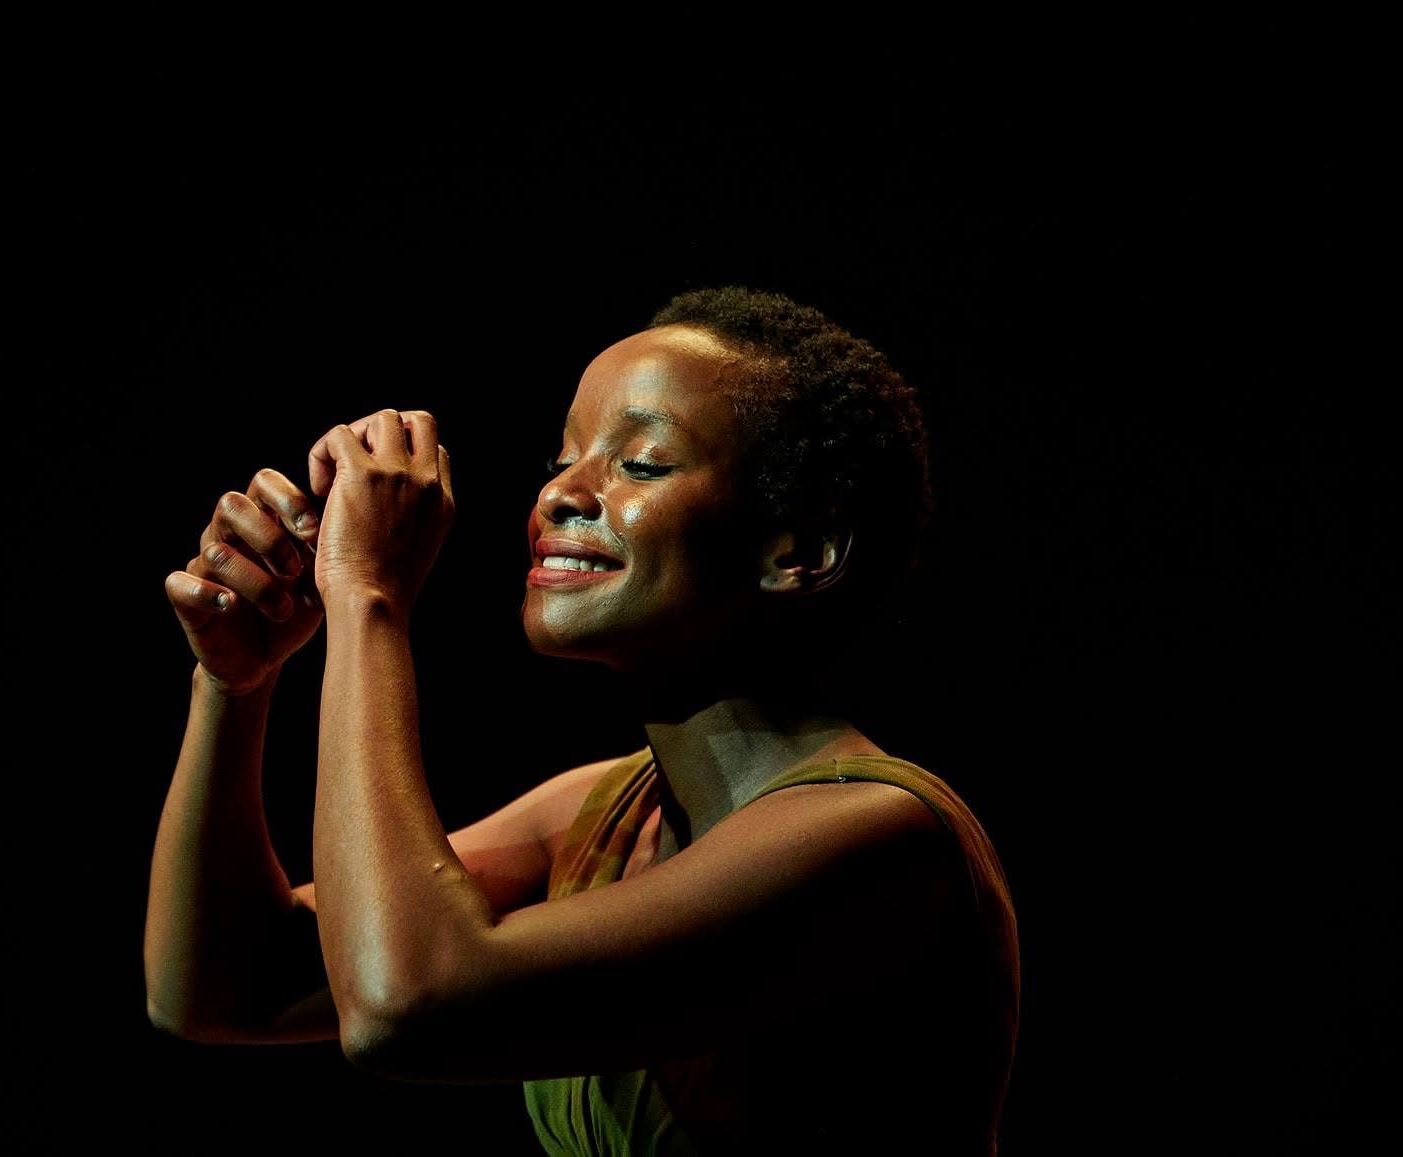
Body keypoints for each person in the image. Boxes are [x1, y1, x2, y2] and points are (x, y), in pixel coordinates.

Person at [145, 285, 1020, 1155]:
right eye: (560, 458)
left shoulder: (881, 840)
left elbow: (405, 1003)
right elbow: (222, 987)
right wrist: (237, 682)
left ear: (799, 552)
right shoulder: (595, 812)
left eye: (640, 463)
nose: (562, 491)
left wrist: (366, 595)